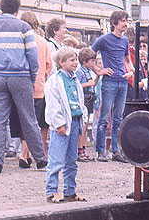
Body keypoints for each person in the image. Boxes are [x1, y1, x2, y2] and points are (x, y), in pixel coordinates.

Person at [0, 0, 47, 173]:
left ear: (1, 7)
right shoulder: (24, 27)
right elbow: (32, 56)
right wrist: (32, 77)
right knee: (28, 118)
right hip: (21, 77)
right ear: (17, 9)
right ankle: (40, 160)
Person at [44, 47, 87, 203]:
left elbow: (79, 100)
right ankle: (51, 191)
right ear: (61, 63)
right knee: (56, 159)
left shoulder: (74, 79)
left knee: (71, 160)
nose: (75, 63)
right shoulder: (54, 81)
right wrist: (59, 123)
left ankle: (70, 191)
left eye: (76, 60)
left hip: (74, 122)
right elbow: (53, 104)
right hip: (61, 125)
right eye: (72, 60)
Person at [91, 10, 133, 162]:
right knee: (104, 118)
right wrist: (99, 70)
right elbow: (88, 55)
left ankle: (116, 151)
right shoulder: (104, 39)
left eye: (126, 21)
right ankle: (101, 151)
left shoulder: (125, 41)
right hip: (109, 82)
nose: (126, 24)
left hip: (122, 81)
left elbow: (128, 61)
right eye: (123, 21)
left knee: (118, 118)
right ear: (114, 23)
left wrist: (130, 73)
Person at [19, 12, 51, 168]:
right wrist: (42, 76)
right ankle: (28, 154)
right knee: (35, 122)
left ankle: (24, 154)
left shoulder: (20, 40)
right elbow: (49, 65)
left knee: (24, 120)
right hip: (39, 87)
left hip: (21, 85)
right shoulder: (42, 42)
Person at [75, 47, 99, 161]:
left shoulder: (89, 72)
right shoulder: (80, 72)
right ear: (84, 61)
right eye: (91, 61)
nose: (93, 64)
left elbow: (93, 83)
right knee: (82, 125)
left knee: (85, 126)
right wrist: (88, 84)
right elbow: (77, 86)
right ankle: (79, 149)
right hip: (84, 99)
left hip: (89, 100)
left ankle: (83, 148)